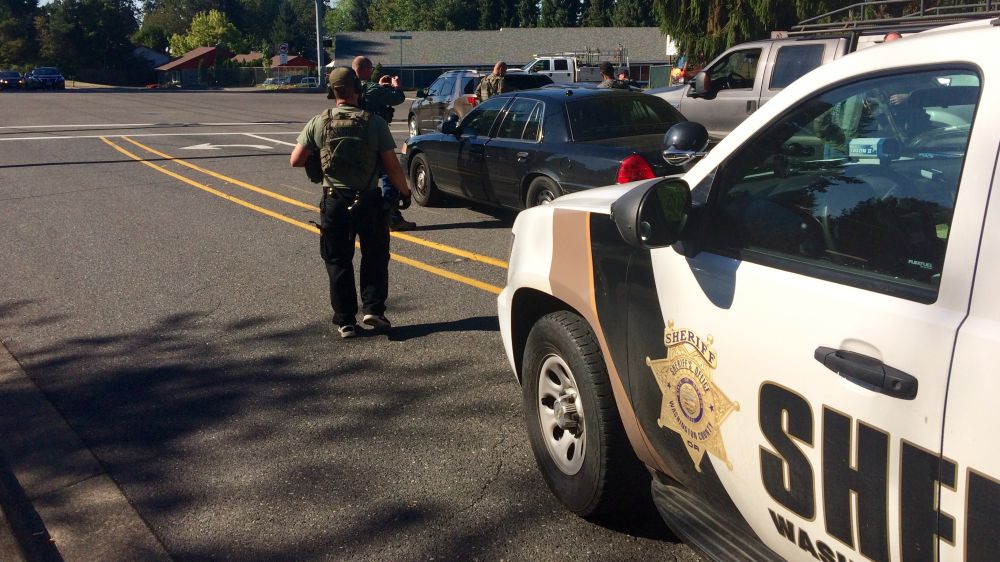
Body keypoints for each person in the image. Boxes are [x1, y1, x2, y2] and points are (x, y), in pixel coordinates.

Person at [290, 66, 412, 338]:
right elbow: (392, 166)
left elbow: (295, 159)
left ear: (332, 93)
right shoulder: (374, 122)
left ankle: (346, 321)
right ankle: (374, 310)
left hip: (334, 201)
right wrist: (404, 192)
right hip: (368, 200)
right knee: (375, 256)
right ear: (358, 89)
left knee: (338, 261)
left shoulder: (319, 122)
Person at [352, 55, 416, 232]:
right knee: (390, 177)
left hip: (354, 141)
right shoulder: (372, 89)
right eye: (371, 69)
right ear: (365, 69)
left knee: (361, 182)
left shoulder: (351, 88)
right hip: (375, 140)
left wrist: (380, 86)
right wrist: (396, 86)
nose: (372, 72)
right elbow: (397, 98)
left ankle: (361, 218)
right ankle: (392, 218)